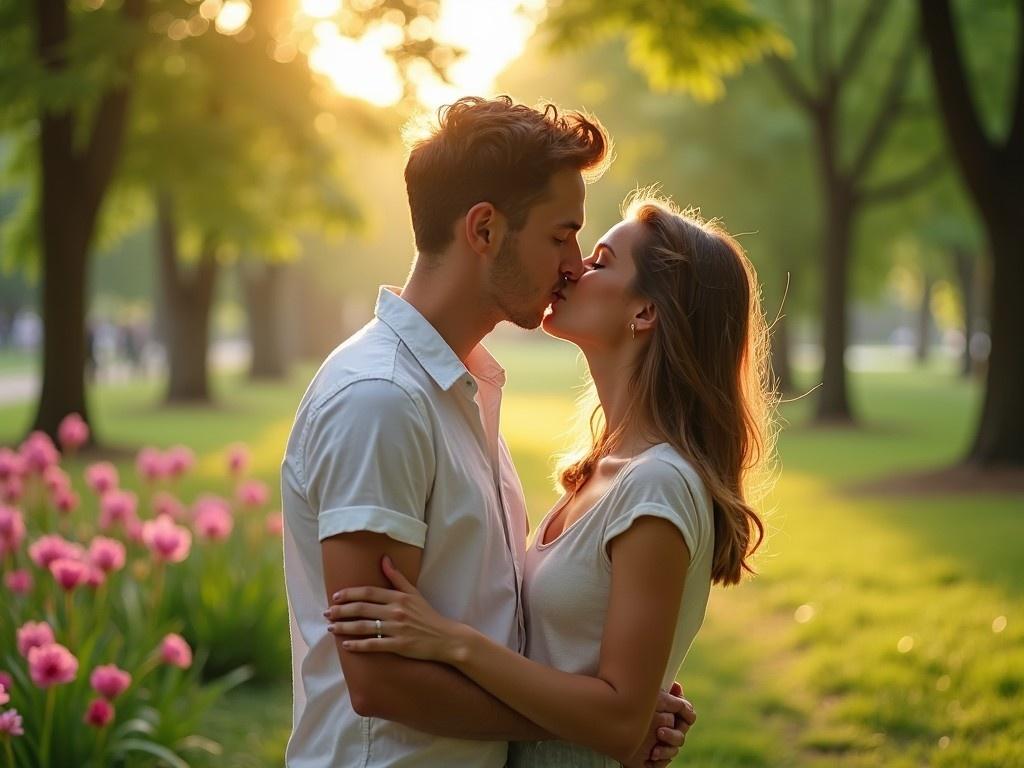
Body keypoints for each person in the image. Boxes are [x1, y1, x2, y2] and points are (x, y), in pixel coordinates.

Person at [280, 96, 693, 768]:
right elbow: (379, 679)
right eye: (561, 234)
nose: (574, 263)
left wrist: (612, 704)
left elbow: (486, 622)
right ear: (484, 230)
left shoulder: (460, 390)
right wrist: (602, 720)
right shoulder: (382, 399)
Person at [326, 194, 777, 766]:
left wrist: (453, 642)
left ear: (644, 313)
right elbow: (610, 703)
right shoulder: (603, 472)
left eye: (601, 261)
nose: (573, 267)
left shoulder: (657, 484)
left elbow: (616, 718)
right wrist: (630, 715)